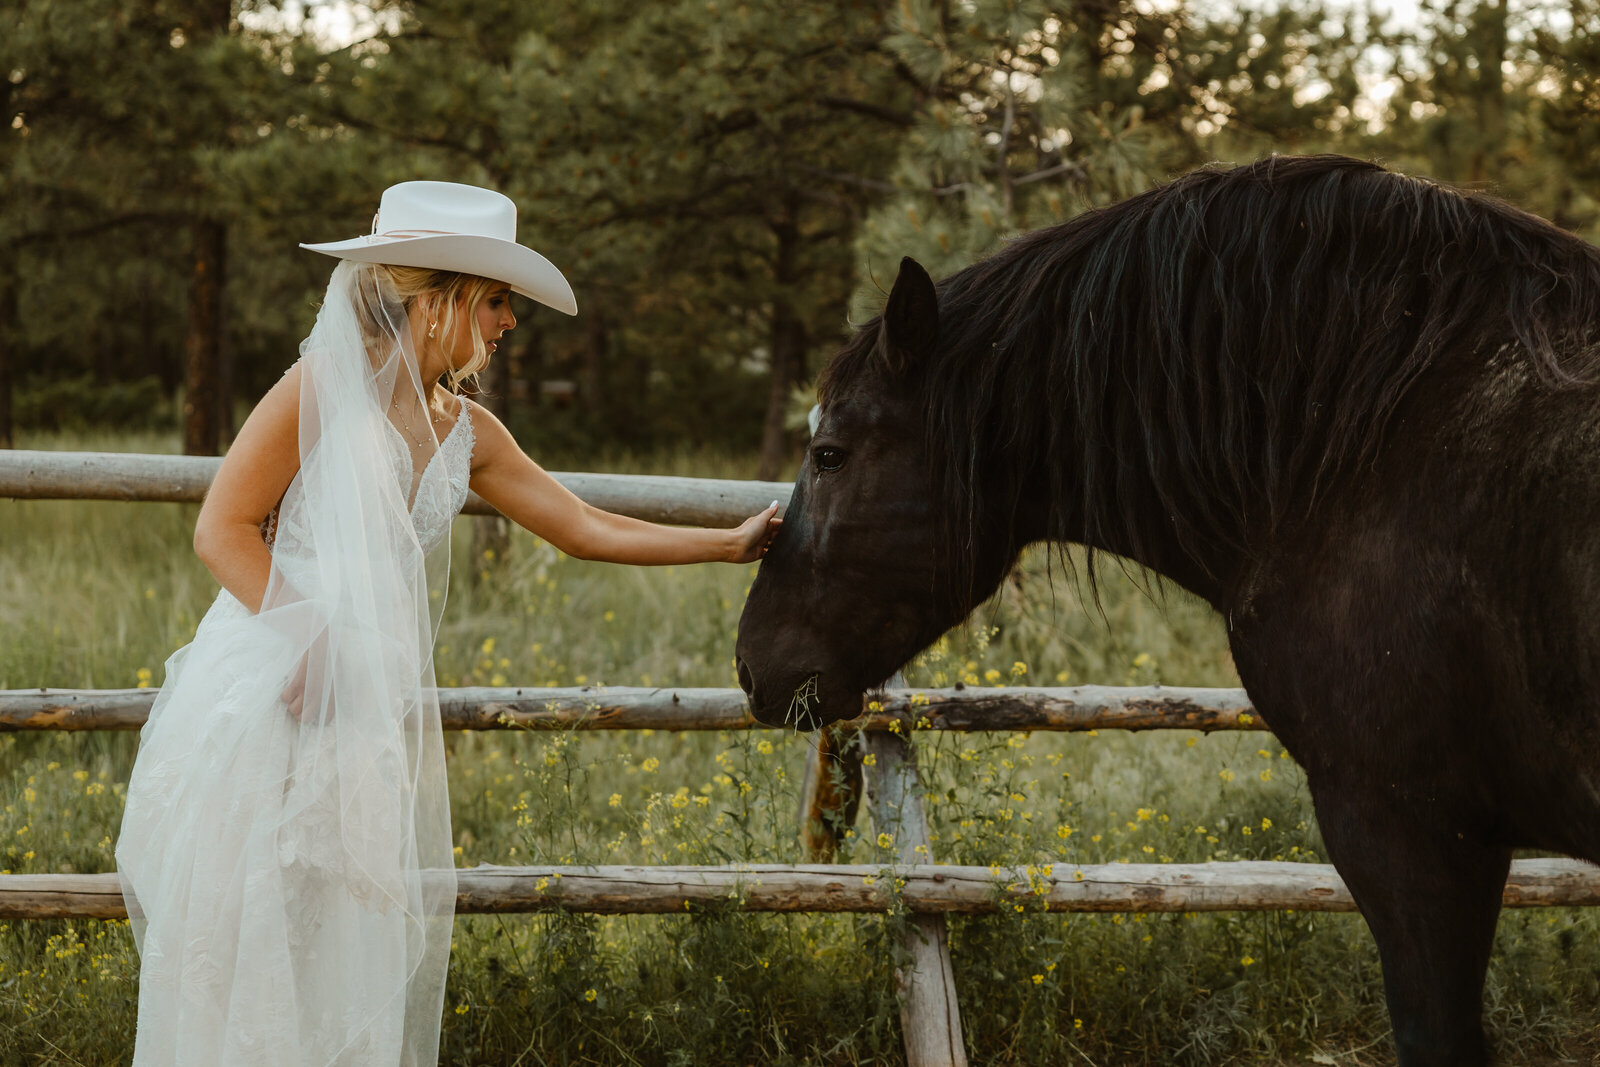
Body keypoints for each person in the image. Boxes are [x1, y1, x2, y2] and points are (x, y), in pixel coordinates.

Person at [114, 180, 781, 1066]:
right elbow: (220, 528)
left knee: (336, 941)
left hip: (361, 713)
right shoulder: (317, 386)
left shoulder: (464, 428)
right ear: (440, 301)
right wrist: (310, 633)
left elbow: (583, 525)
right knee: (250, 939)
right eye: (498, 301)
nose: (510, 322)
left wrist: (726, 546)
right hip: (275, 688)